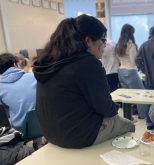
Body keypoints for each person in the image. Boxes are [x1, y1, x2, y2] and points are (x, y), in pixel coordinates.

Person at [33, 15, 134, 149]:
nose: (105, 45)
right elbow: (106, 108)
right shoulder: (88, 63)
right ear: (88, 41)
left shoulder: (48, 62)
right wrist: (114, 107)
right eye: (103, 40)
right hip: (78, 136)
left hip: (50, 134)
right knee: (128, 124)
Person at [0, 53, 36, 128]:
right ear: (16, 64)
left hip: (21, 129)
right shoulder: (34, 77)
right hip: (45, 123)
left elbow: (3, 115)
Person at [115, 24, 148, 119]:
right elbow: (134, 61)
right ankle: (143, 115)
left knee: (127, 96)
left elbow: (118, 59)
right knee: (141, 94)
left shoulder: (118, 45)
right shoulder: (131, 45)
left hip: (121, 71)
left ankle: (128, 116)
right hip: (131, 72)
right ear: (131, 33)